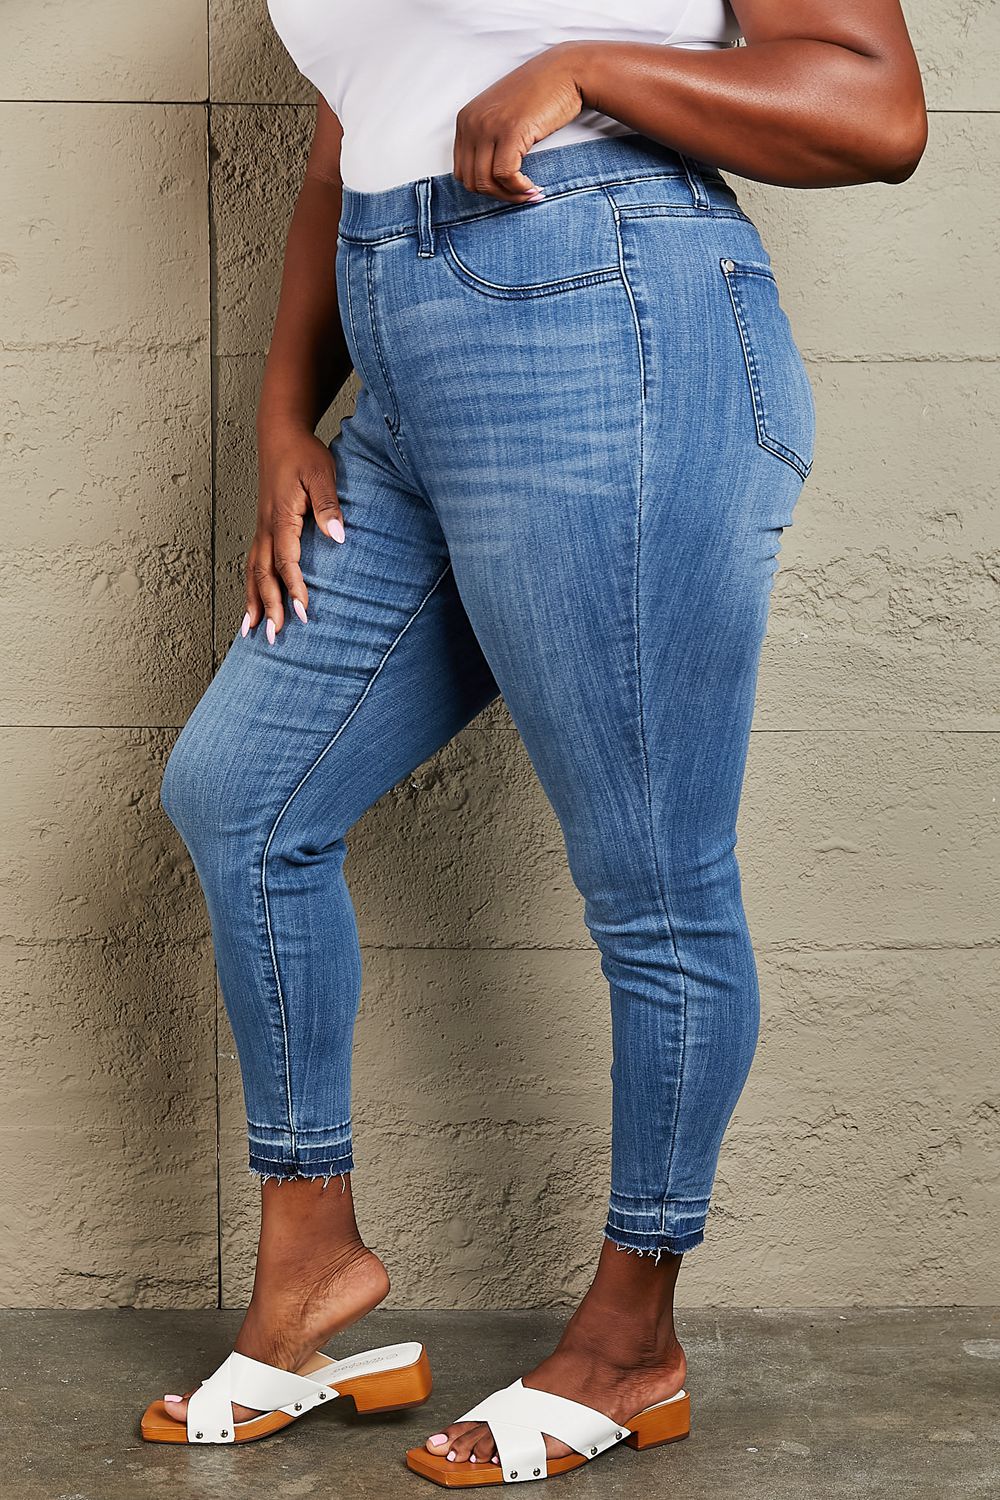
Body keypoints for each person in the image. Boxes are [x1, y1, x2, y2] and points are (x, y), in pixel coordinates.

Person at [140, 0, 926, 1481]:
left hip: (614, 330)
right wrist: (282, 414)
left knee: (651, 875)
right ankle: (312, 1272)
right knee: (241, 800)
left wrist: (594, 65)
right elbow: (345, 133)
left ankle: (633, 1342)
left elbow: (878, 110)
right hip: (404, 366)